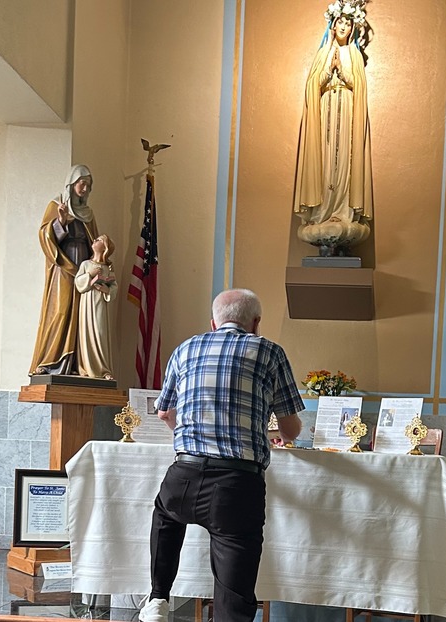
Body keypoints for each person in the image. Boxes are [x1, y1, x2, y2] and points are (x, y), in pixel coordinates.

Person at [139, 289, 304, 622]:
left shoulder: (186, 348)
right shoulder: (269, 351)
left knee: (167, 516)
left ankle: (158, 597)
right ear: (256, 323)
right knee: (233, 592)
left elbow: (164, 412)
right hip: (235, 484)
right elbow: (291, 428)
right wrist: (278, 434)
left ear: (213, 322)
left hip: (183, 475)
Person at [292, 2, 374, 256]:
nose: (344, 26)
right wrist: (329, 70)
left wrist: (344, 71)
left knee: (345, 166)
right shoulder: (322, 54)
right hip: (326, 111)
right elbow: (313, 86)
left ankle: (342, 212)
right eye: (340, 22)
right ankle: (323, 212)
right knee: (326, 164)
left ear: (352, 28)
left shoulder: (355, 55)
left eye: (349, 23)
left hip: (348, 113)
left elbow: (358, 86)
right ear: (332, 24)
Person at [29, 164, 99, 376]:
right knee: (60, 311)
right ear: (71, 183)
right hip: (64, 267)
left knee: (81, 315)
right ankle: (49, 361)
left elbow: (94, 241)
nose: (85, 189)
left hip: (83, 269)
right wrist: (61, 221)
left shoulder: (88, 213)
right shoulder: (57, 205)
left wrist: (97, 265)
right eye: (81, 184)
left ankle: (77, 363)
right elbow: (45, 237)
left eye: (88, 185)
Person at [74, 234, 117, 379]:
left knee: (100, 333)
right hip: (87, 303)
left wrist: (107, 290)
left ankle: (103, 370)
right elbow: (78, 282)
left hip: (100, 303)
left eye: (98, 240)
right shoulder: (86, 264)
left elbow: (114, 286)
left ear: (105, 247)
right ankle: (86, 367)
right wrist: (90, 275)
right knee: (86, 332)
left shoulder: (108, 267)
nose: (94, 241)